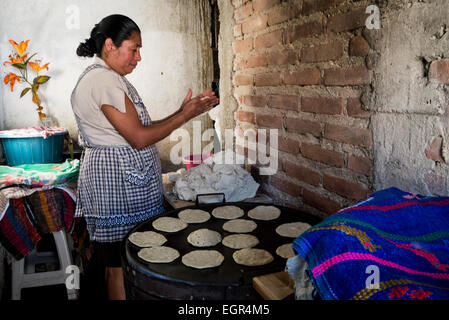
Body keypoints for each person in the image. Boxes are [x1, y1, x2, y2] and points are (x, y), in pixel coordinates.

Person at [71, 14, 218, 300]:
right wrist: (185, 116)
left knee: (122, 262)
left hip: (125, 183)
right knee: (118, 265)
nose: (138, 57)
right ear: (110, 45)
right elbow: (139, 138)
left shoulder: (109, 78)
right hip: (116, 184)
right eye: (134, 48)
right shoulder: (103, 80)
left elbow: (141, 130)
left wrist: (181, 112)